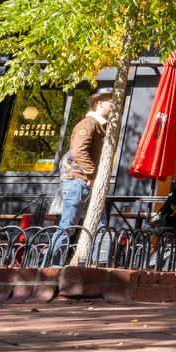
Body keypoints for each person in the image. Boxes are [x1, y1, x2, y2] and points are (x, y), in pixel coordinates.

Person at [56, 91, 114, 240]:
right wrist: (92, 175)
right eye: (111, 102)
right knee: (67, 228)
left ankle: (96, 262)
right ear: (100, 103)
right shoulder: (89, 123)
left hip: (87, 183)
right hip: (79, 182)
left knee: (99, 227)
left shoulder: (101, 126)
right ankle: (52, 263)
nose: (114, 106)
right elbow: (79, 151)